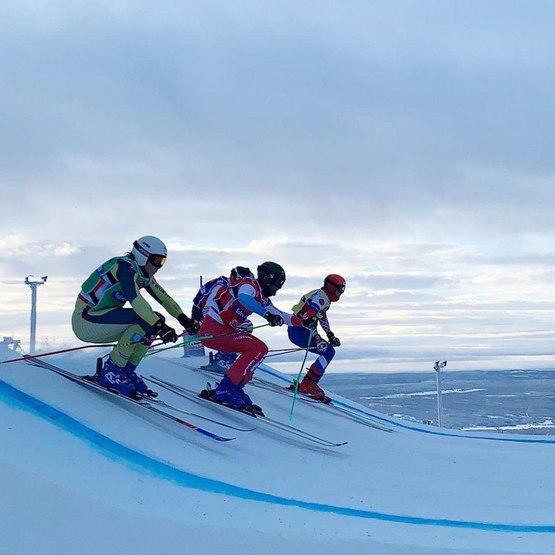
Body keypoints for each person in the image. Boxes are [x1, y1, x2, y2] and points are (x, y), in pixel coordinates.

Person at [71, 236, 199, 399]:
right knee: (149, 320)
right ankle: (112, 371)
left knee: (154, 320)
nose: (159, 266)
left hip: (100, 318)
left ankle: (125, 371)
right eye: (157, 261)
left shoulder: (142, 274)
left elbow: (164, 298)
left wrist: (183, 319)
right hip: (85, 320)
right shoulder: (125, 268)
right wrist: (161, 328)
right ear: (143, 255)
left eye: (163, 262)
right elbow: (137, 301)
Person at [199, 261, 314, 413]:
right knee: (254, 348)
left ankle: (235, 386)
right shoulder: (249, 285)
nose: (275, 291)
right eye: (275, 286)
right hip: (212, 329)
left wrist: (303, 323)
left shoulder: (263, 298)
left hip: (224, 331)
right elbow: (244, 298)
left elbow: (281, 315)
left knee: (261, 349)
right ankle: (226, 389)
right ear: (267, 280)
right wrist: (267, 315)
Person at [287, 274, 346, 401]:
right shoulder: (319, 299)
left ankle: (308, 383)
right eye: (339, 290)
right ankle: (308, 384)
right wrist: (318, 338)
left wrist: (329, 334)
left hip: (299, 329)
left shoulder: (322, 297)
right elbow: (310, 318)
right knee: (328, 351)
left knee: (329, 351)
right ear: (331, 287)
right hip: (299, 331)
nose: (340, 294)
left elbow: (321, 316)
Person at [191, 266, 253, 372]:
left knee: (243, 324)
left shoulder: (227, 285)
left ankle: (227, 358)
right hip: (204, 320)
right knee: (246, 326)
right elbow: (207, 310)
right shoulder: (222, 286)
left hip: (209, 319)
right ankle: (222, 359)